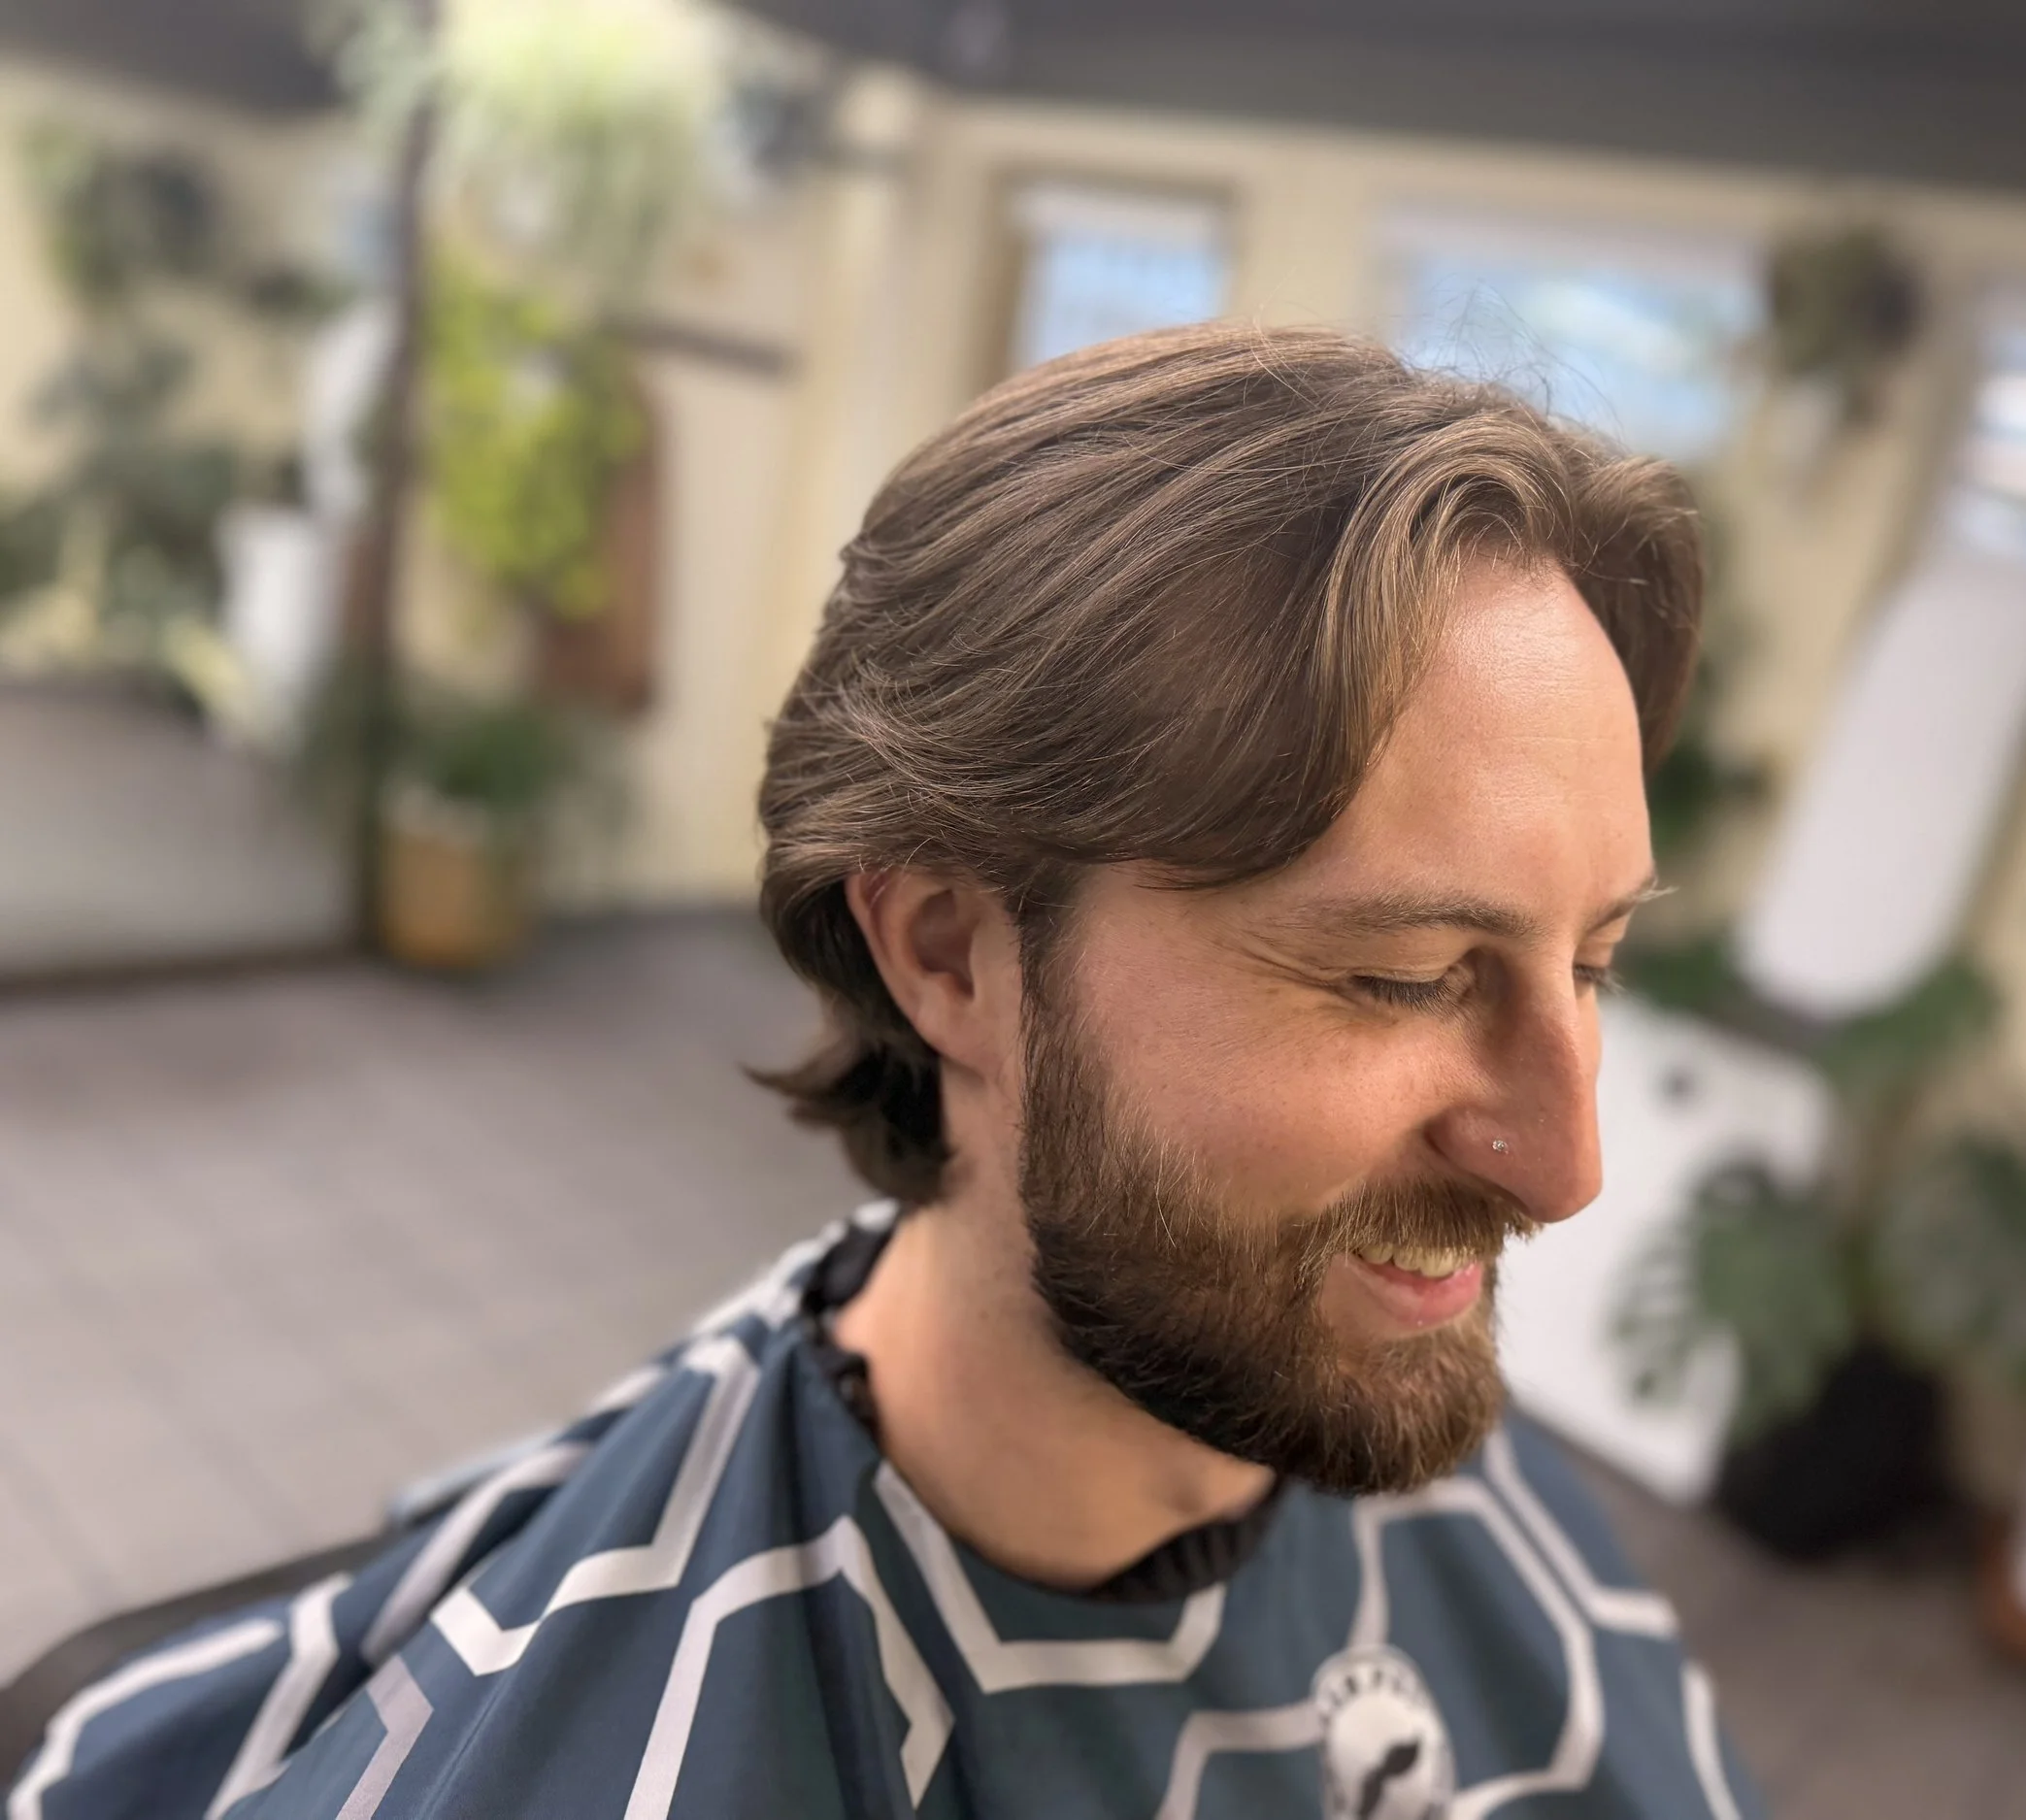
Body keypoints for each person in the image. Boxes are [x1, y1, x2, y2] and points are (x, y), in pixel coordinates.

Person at [10, 322, 1757, 1819]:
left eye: (1592, 962)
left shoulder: (1412, 1427)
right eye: (1404, 976)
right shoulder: (651, 1709)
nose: (1567, 1161)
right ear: (948, 953)